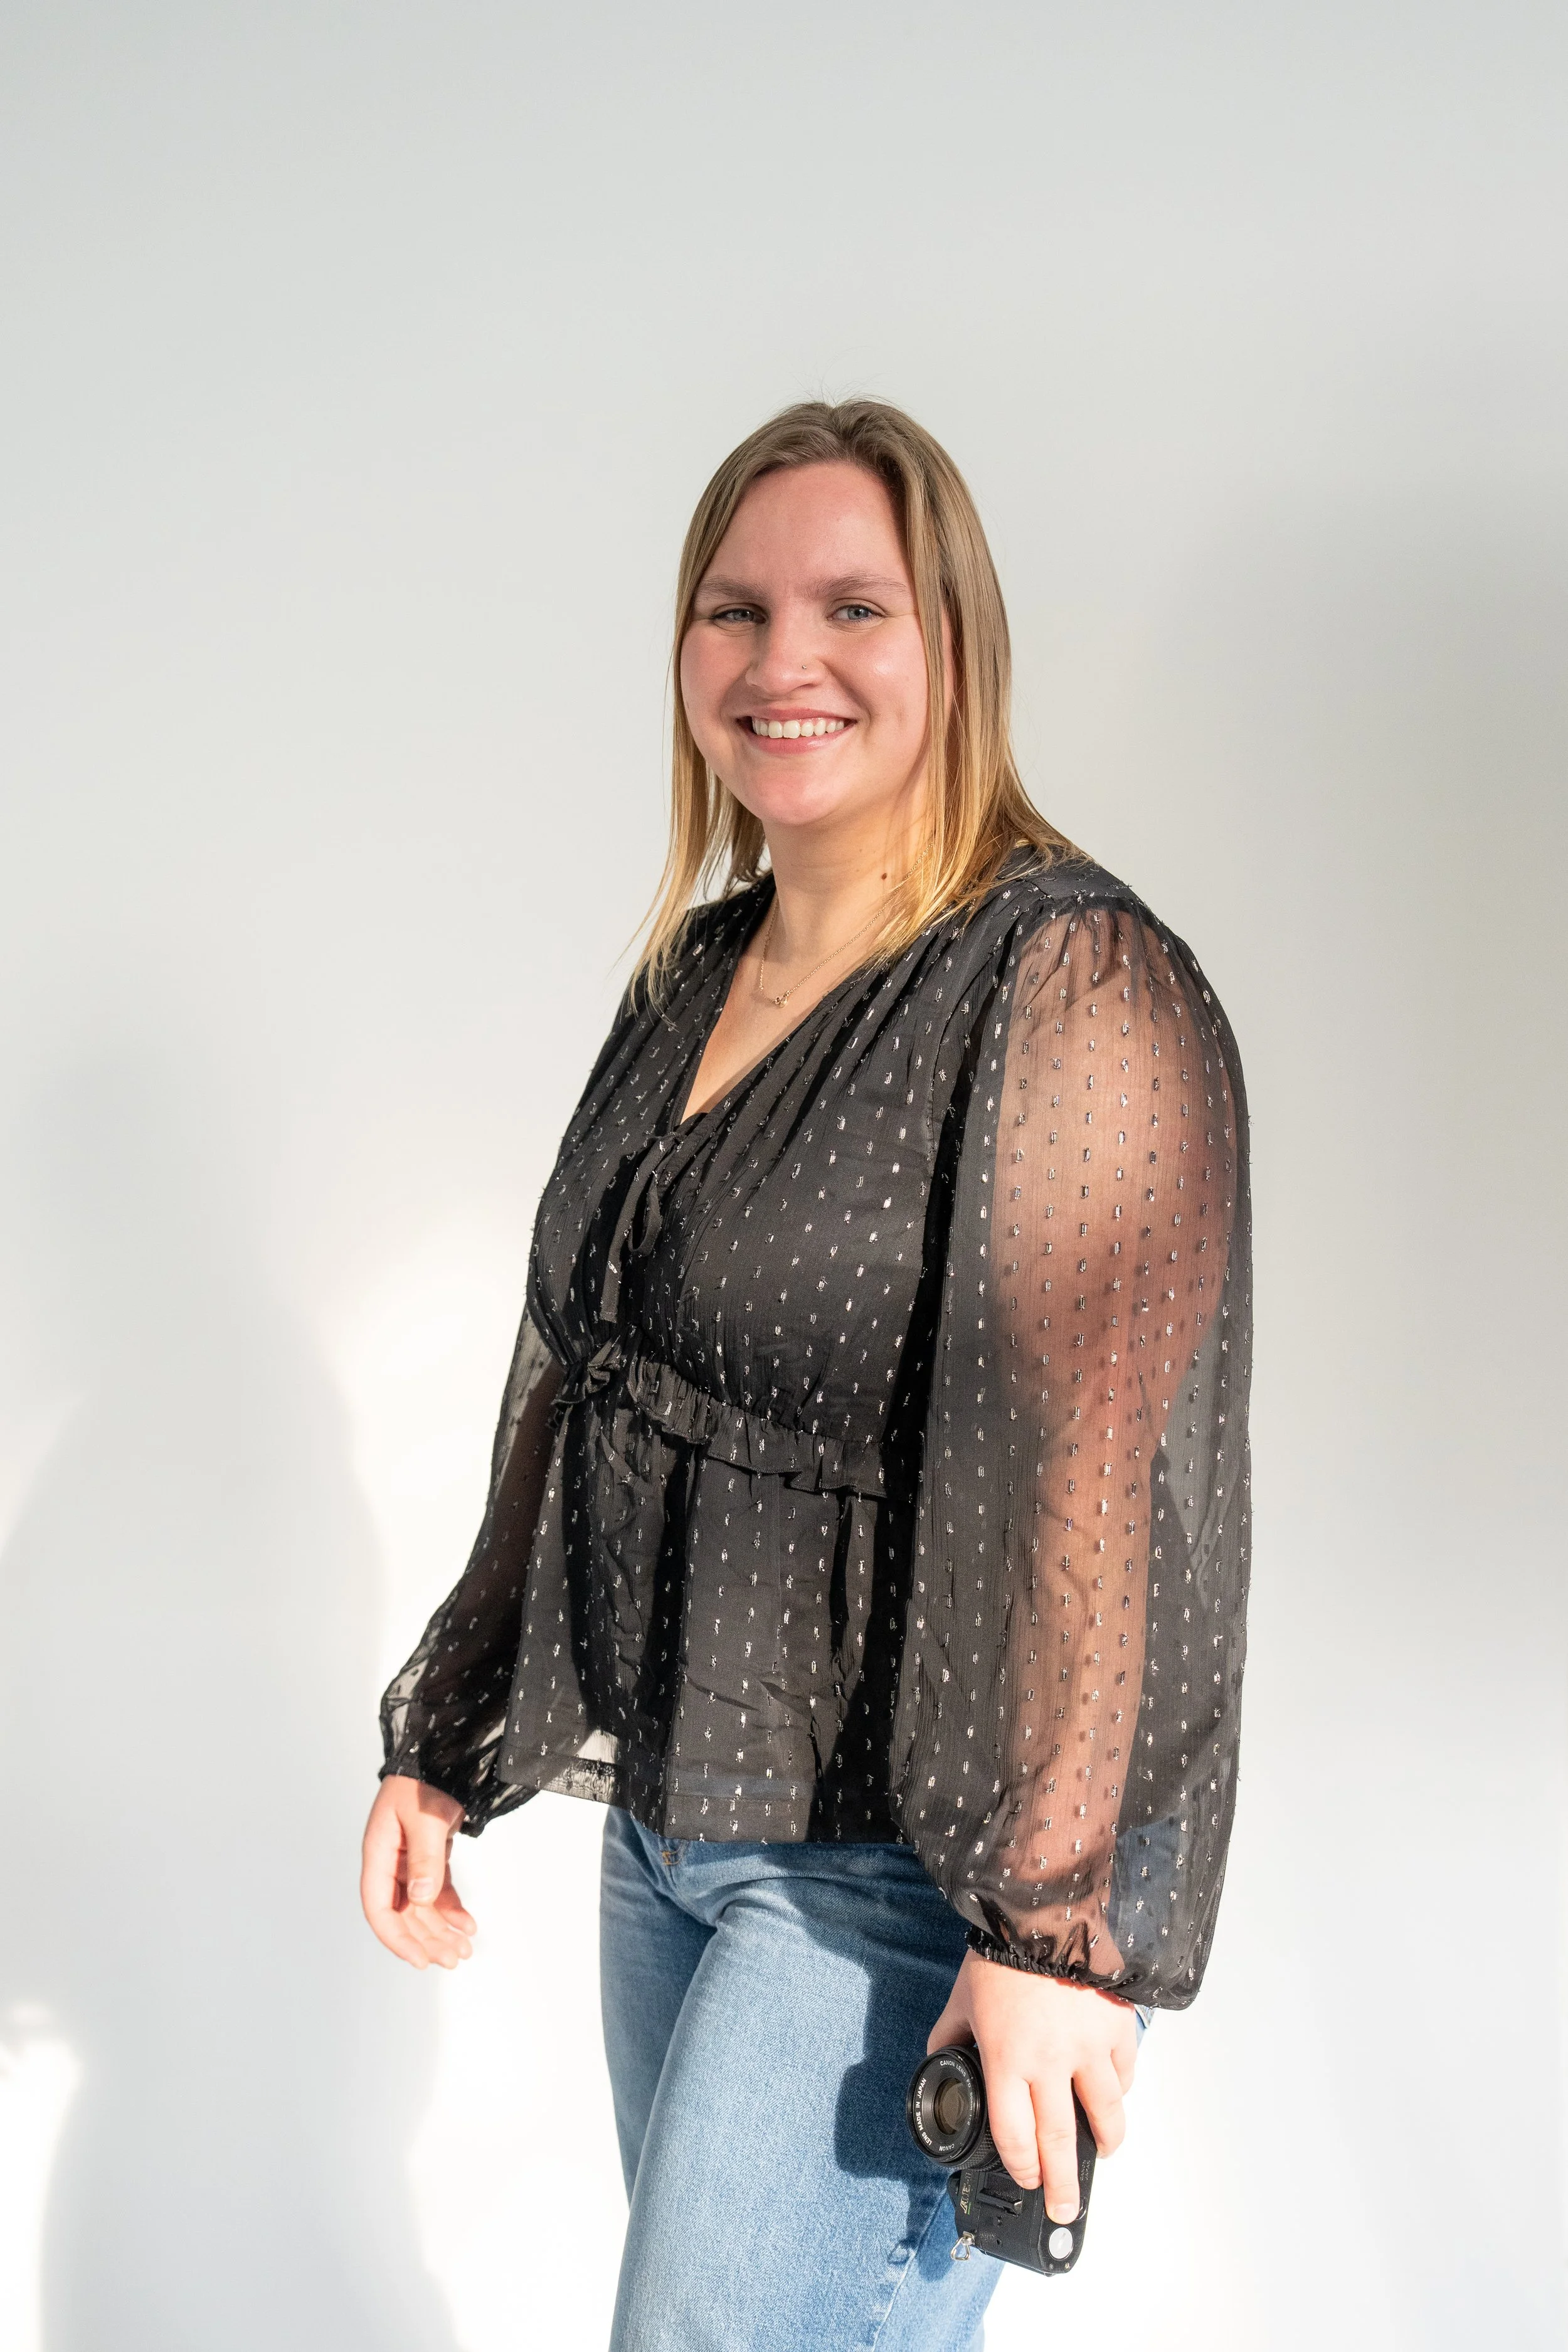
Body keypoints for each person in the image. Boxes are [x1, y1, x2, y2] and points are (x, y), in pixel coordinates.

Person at [360, 398, 1253, 2351]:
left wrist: (1046, 1932)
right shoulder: (692, 969)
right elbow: (580, 1366)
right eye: (731, 610)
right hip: (671, 1829)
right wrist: (451, 1714)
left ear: (954, 639)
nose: (783, 663)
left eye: (852, 605)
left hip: (891, 1871)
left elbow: (1094, 1483)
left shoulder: (1064, 979)